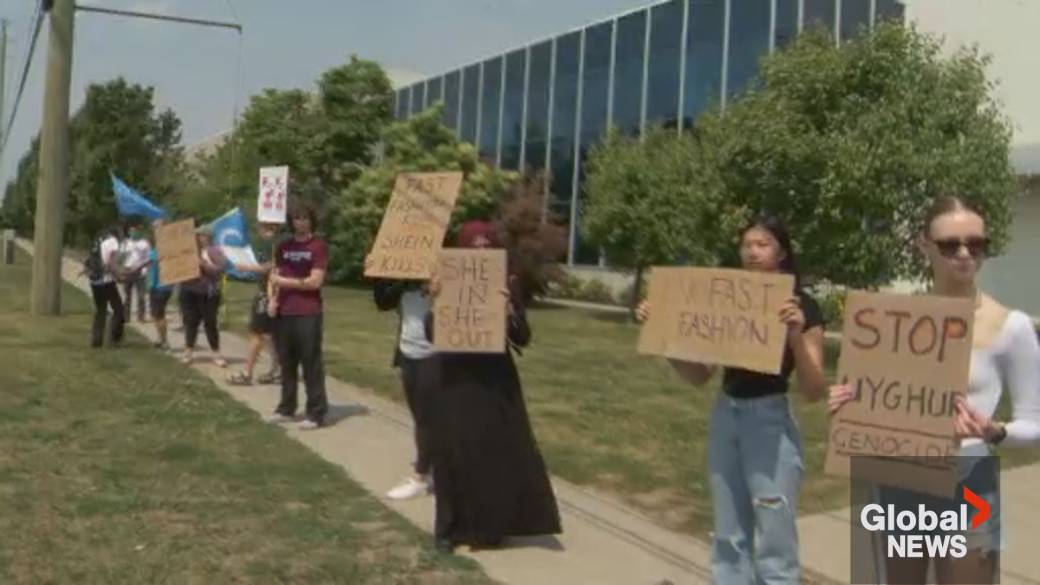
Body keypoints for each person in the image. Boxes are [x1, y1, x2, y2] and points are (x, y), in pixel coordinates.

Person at [829, 196, 1040, 585]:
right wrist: (847, 404)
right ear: (923, 245)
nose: (964, 254)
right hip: (901, 475)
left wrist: (994, 431)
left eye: (976, 244)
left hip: (968, 477)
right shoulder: (896, 324)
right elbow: (880, 399)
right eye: (950, 245)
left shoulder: (1011, 326)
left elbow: (1034, 423)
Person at [636, 215, 828, 584]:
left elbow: (813, 389)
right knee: (728, 532)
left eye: (763, 244)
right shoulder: (730, 299)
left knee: (774, 533)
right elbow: (699, 375)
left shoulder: (802, 304)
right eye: (747, 245)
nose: (753, 252)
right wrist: (662, 333)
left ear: (782, 252)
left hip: (770, 421)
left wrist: (795, 335)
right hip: (727, 415)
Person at [425, 219, 561, 553]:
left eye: (487, 246)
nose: (481, 252)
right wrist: (438, 299)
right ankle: (449, 529)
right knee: (452, 451)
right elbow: (431, 333)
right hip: (456, 377)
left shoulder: (507, 281)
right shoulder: (445, 279)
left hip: (494, 378)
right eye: (474, 246)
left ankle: (490, 528)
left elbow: (522, 337)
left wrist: (508, 310)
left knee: (493, 451)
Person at [373, 275, 438, 500]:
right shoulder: (400, 277)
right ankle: (429, 467)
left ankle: (422, 476)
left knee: (428, 416)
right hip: (408, 352)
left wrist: (438, 290)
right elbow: (382, 302)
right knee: (420, 417)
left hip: (436, 355)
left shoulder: (443, 269)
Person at [268, 202, 330, 431]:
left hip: (308, 312)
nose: (299, 222)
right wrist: (274, 299)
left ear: (311, 220)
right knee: (286, 362)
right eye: (296, 218)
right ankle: (286, 407)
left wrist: (283, 282)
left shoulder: (318, 247)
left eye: (304, 218)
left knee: (311, 363)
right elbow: (276, 276)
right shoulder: (283, 247)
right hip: (285, 312)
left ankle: (316, 412)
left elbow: (315, 281)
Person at [227, 223, 282, 386]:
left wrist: (246, 267)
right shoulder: (271, 245)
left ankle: (247, 373)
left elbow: (271, 266)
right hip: (271, 293)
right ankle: (276, 370)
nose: (262, 232)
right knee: (272, 335)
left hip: (268, 294)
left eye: (265, 228)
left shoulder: (277, 245)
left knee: (256, 333)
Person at [178, 226, 228, 367]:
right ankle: (188, 351)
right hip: (188, 290)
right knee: (190, 321)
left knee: (210, 323)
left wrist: (203, 264)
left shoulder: (216, 251)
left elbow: (219, 270)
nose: (200, 238)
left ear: (209, 237)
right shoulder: (188, 250)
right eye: (198, 235)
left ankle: (216, 353)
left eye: (203, 235)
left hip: (208, 293)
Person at [85, 226, 126, 348]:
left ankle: (96, 341)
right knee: (118, 309)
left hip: (95, 281)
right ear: (118, 233)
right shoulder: (113, 243)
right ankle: (114, 339)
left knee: (100, 310)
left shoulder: (100, 242)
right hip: (106, 281)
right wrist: (119, 277)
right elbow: (111, 264)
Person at [119, 220, 152, 323]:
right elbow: (120, 257)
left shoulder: (144, 243)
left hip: (140, 271)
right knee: (126, 296)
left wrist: (145, 270)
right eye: (131, 231)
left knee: (141, 295)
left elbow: (148, 258)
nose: (133, 233)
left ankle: (141, 317)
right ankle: (126, 316)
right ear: (128, 232)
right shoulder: (125, 243)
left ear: (139, 232)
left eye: (135, 231)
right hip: (127, 270)